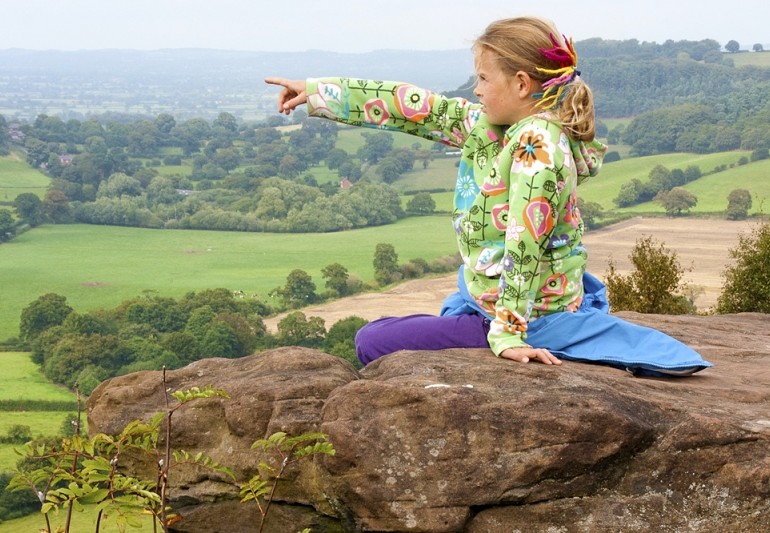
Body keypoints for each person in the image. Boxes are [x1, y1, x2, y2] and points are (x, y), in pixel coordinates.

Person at [266, 16, 712, 377]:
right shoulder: (493, 126)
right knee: (435, 314)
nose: (475, 89)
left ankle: (504, 329)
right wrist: (318, 93)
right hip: (500, 292)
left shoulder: (539, 150)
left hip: (529, 312)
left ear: (521, 84)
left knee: (371, 340)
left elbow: (525, 245)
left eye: (482, 78)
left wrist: (509, 336)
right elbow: (417, 108)